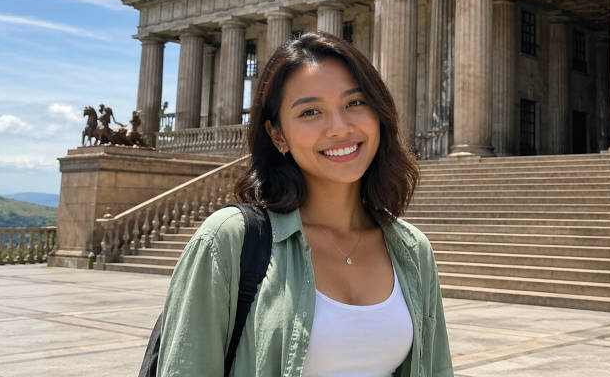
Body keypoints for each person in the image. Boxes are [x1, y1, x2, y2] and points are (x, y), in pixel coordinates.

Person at [156, 32, 453, 376]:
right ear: (278, 135)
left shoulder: (412, 249)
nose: (339, 128)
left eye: (354, 103)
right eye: (311, 111)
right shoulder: (229, 241)